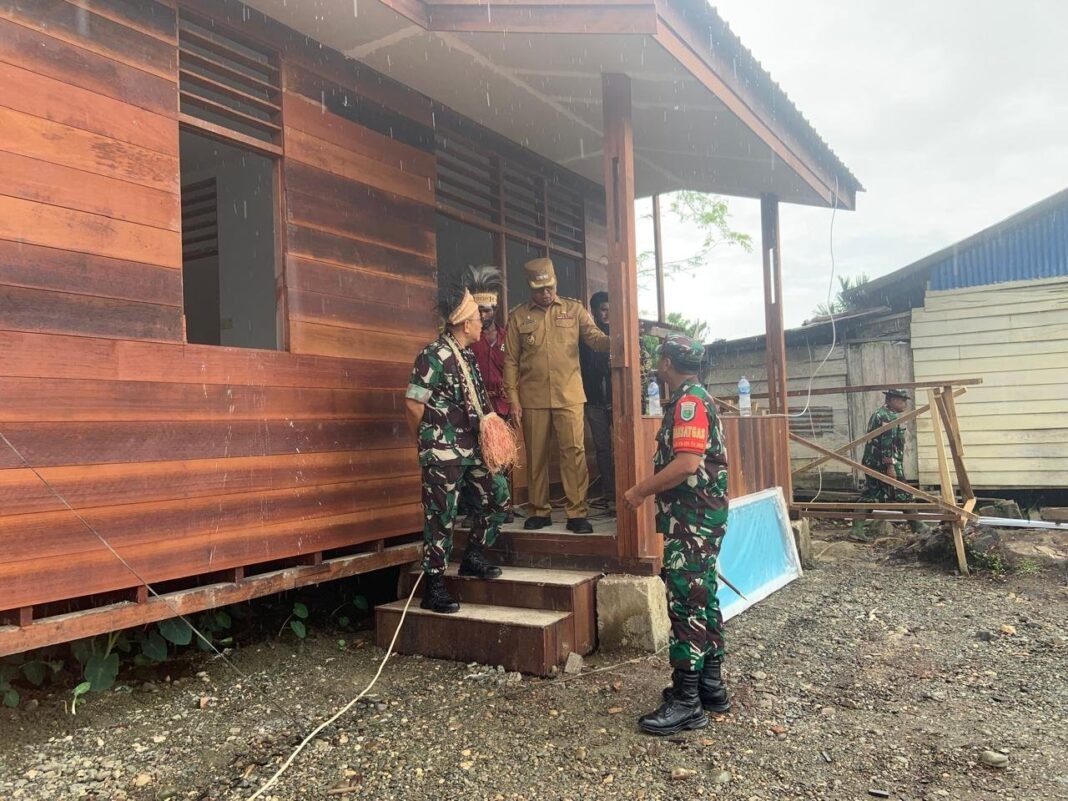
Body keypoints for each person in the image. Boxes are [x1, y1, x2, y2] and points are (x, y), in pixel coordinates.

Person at [623, 334, 730, 736]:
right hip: (701, 519)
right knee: (704, 597)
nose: (655, 364)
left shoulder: (689, 403)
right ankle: (710, 686)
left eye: (658, 359)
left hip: (693, 520)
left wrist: (639, 491)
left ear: (667, 363)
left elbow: (686, 464)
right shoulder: (696, 397)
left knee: (686, 602)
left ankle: (688, 703)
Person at [405, 287, 511, 613]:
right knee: (441, 516)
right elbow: (413, 403)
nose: (483, 322)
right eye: (479, 318)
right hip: (442, 451)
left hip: (472, 449)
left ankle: (473, 556)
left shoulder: (466, 355)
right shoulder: (432, 355)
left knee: (497, 494)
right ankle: (434, 585)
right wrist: (425, 441)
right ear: (466, 323)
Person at [503, 258, 610, 533]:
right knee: (536, 455)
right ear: (530, 288)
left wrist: (618, 339)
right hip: (532, 397)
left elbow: (595, 338)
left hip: (569, 395)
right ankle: (539, 510)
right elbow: (511, 361)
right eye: (540, 289)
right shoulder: (518, 317)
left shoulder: (574, 310)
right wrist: (513, 399)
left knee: (573, 453)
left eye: (549, 287)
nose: (546, 293)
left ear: (555, 284)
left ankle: (577, 513)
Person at [851, 388, 926, 540]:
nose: (904, 403)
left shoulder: (881, 414)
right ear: (891, 400)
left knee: (871, 494)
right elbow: (887, 443)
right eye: (901, 400)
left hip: (874, 462)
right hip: (882, 464)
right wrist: (890, 466)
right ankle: (918, 527)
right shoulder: (887, 417)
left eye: (905, 400)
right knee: (903, 493)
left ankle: (856, 531)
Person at [579, 291, 614, 507]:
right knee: (602, 448)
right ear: (593, 311)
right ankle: (609, 494)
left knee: (621, 447)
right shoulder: (585, 338)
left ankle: (624, 490)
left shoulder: (619, 335)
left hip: (618, 400)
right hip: (593, 399)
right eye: (603, 309)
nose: (607, 314)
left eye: (610, 310)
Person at [466, 265, 510, 419]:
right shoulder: (467, 339)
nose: (482, 315)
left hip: (505, 409)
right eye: (478, 311)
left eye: (486, 310)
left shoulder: (508, 338)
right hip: (475, 409)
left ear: (495, 310)